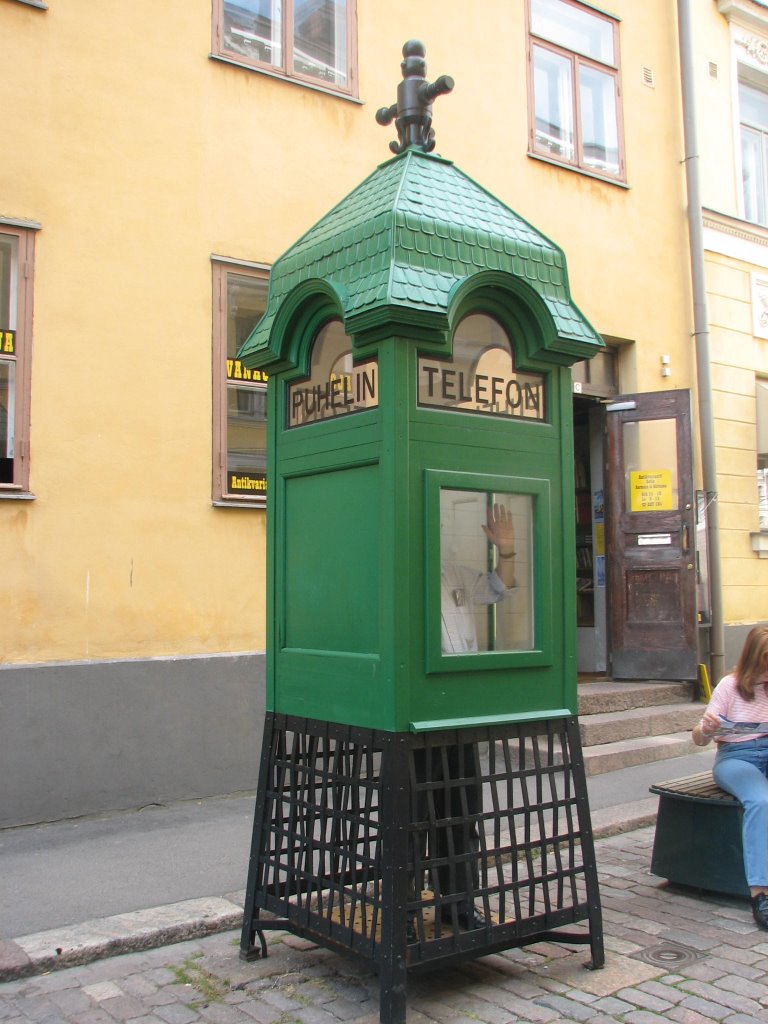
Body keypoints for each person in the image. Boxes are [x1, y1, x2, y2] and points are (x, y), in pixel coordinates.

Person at [410, 502, 517, 940]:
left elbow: (499, 588)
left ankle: (457, 904)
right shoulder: (398, 576)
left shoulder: (453, 572)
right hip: (414, 714)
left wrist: (507, 551)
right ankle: (404, 908)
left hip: (459, 709)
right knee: (412, 816)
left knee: (461, 811)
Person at [692, 625, 768, 930]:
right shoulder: (729, 686)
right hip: (737, 757)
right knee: (761, 801)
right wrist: (707, 729)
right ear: (753, 659)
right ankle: (760, 892)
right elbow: (698, 738)